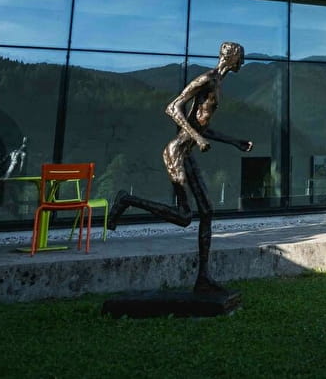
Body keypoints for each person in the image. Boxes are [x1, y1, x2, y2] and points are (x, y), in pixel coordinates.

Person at [108, 40, 253, 293]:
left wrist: (234, 142)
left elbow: (202, 127)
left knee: (207, 212)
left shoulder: (218, 84)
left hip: (188, 154)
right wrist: (197, 139)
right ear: (230, 57)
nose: (242, 62)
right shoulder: (207, 78)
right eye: (240, 57)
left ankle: (203, 278)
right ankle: (126, 200)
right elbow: (172, 107)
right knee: (185, 217)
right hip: (176, 152)